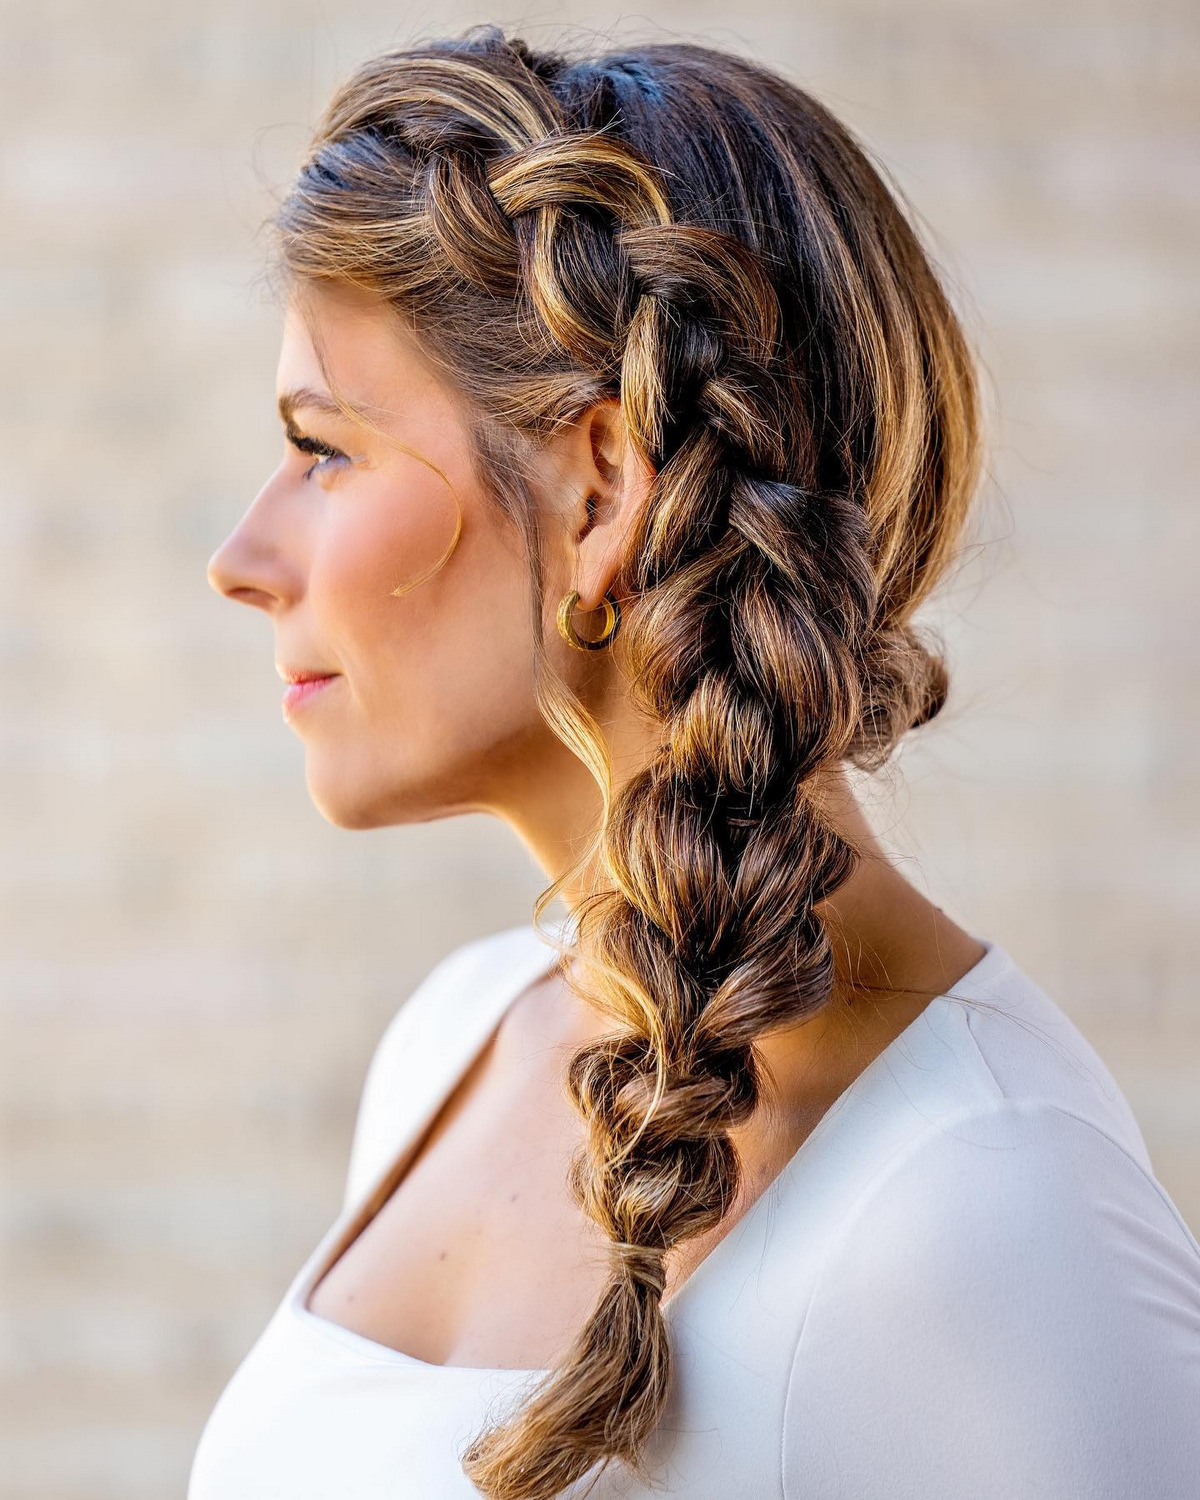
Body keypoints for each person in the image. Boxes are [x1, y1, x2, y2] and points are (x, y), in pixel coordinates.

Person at [192, 24, 1200, 1500]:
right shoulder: (452, 1042)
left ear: (600, 487)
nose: (240, 560)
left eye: (324, 448)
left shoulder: (994, 1195)